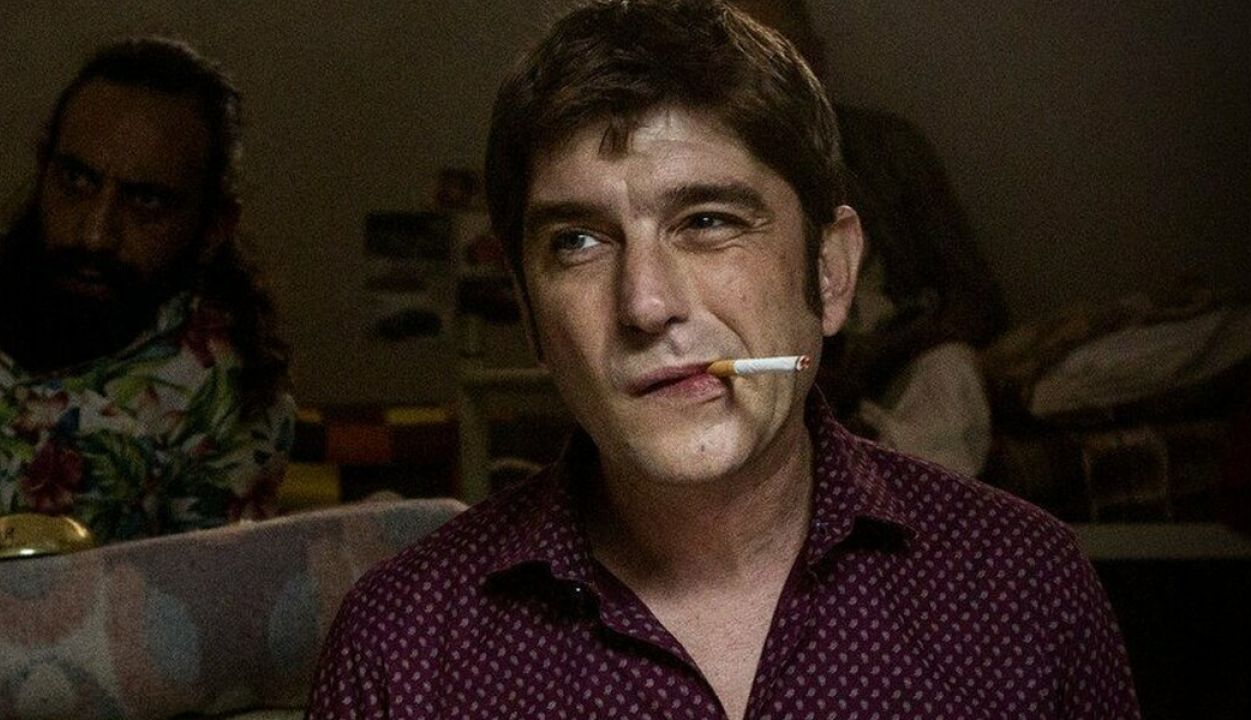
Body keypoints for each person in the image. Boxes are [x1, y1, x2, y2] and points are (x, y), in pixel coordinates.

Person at [308, 1, 1138, 718]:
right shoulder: (402, 649)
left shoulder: (1024, 590)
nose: (645, 304)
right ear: (529, 316)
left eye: (707, 222)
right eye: (579, 242)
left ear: (830, 272)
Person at [0, 37, 295, 544]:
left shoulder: (221, 398)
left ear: (213, 227)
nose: (95, 234)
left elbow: (213, 589)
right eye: (76, 181)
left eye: (147, 202)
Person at [731, 0, 1008, 477]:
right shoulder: (713, 173)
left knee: (950, 372)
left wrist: (886, 354)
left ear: (815, 61)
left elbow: (977, 299)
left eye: (781, 60)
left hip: (903, 367)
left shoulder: (891, 149)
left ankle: (901, 503)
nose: (767, 83)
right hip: (784, 376)